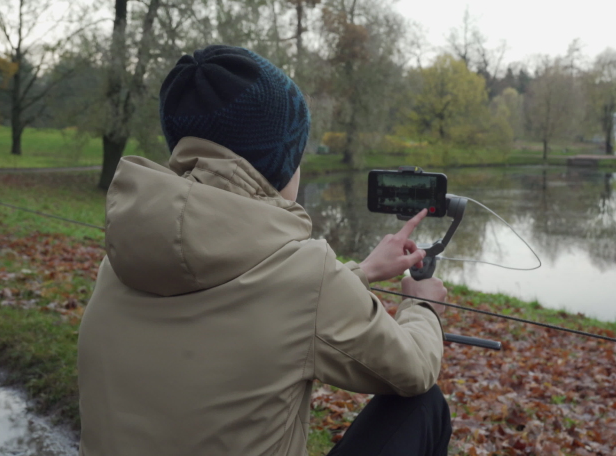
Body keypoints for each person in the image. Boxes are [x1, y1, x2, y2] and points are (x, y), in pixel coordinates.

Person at [77, 45, 451, 456]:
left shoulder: (118, 263)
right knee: (424, 405)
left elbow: (259, 298)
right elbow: (415, 368)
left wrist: (359, 273)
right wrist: (422, 307)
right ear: (281, 161)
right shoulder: (308, 277)